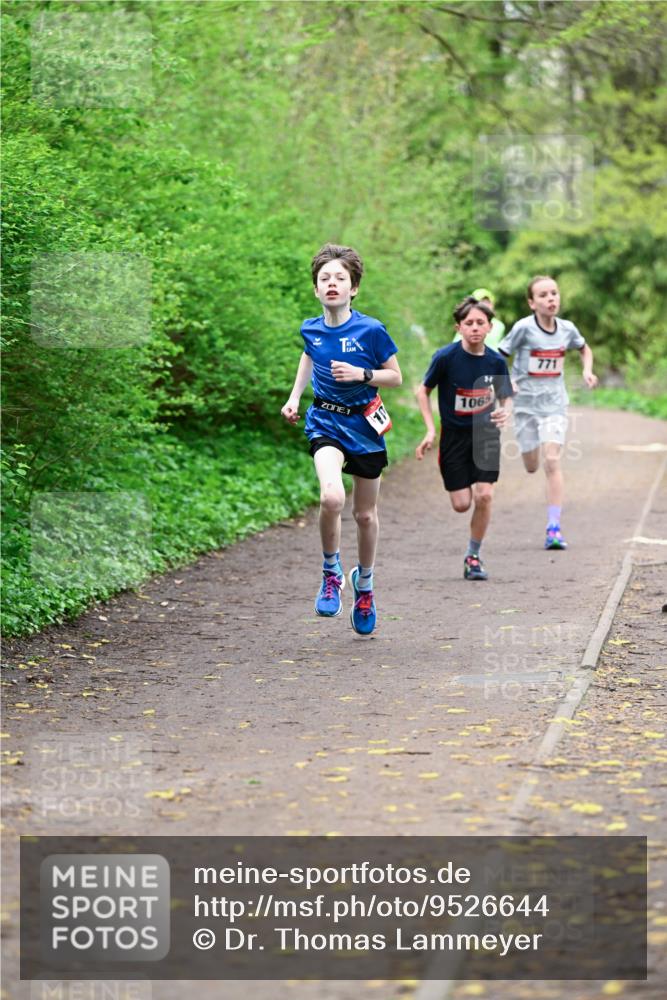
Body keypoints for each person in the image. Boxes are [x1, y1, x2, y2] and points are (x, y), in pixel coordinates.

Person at [281, 244, 402, 635]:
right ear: (316, 290)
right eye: (324, 279)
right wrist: (295, 396)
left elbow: (395, 377)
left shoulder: (371, 330)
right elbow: (309, 355)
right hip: (326, 422)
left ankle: (364, 585)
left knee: (364, 515)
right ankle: (331, 571)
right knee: (331, 496)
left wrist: (361, 374)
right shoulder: (311, 327)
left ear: (354, 289)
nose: (332, 284)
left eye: (340, 279)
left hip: (365, 427)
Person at [416, 296, 513, 580]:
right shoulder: (445, 358)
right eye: (468, 323)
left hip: (486, 436)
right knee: (461, 505)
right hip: (454, 438)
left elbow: (506, 396)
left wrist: (505, 412)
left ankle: (473, 556)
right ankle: (471, 547)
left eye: (480, 323)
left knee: (484, 496)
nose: (474, 328)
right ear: (459, 328)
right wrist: (430, 429)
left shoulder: (495, 361)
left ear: (489, 327)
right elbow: (423, 391)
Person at [498, 275, 598, 550]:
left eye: (554, 293)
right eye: (543, 295)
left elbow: (584, 348)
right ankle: (530, 457)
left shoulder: (567, 329)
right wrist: (509, 381)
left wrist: (588, 370)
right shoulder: (523, 328)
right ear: (532, 303)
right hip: (526, 406)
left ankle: (554, 527)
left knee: (552, 461)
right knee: (532, 465)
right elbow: (499, 354)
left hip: (554, 405)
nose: (551, 298)